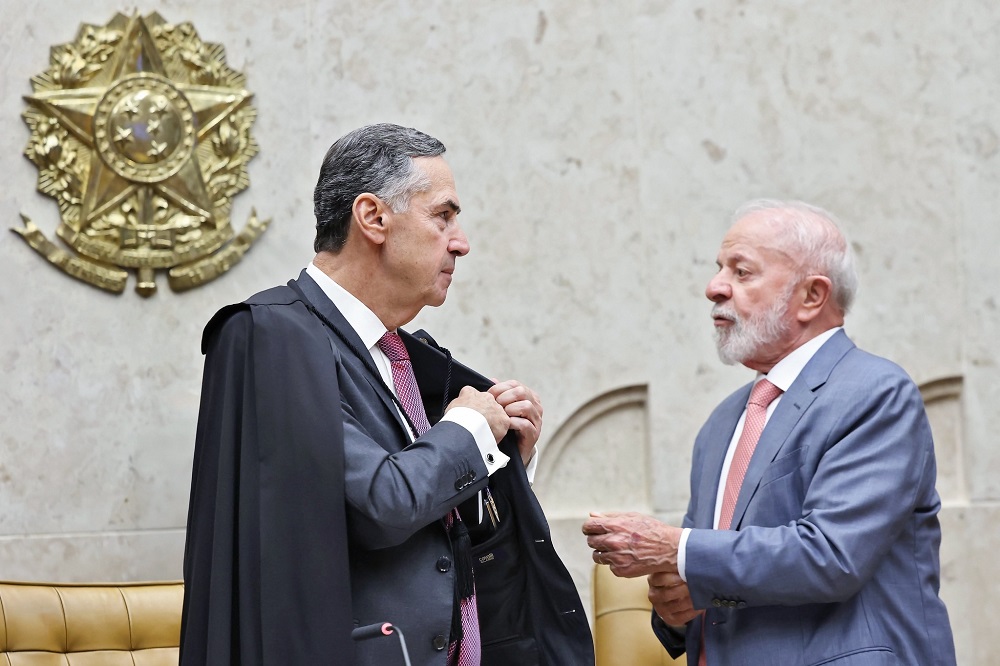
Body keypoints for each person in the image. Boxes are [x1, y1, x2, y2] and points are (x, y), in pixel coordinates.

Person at [180, 123, 593, 666]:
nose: (461, 242)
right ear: (373, 217)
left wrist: (500, 458)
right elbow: (380, 506)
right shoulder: (270, 336)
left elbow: (435, 529)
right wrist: (469, 430)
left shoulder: (400, 353)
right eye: (442, 216)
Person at [582, 200, 956, 665]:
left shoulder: (876, 392)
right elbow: (711, 577)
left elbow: (831, 556)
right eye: (720, 269)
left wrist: (675, 548)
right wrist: (678, 607)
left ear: (812, 296)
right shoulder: (721, 423)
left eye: (742, 272)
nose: (714, 287)